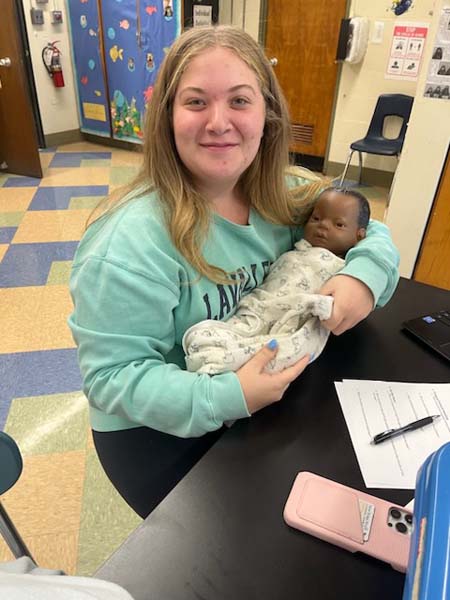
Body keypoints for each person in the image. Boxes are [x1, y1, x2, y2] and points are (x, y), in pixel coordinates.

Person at [68, 26, 400, 518]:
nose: (219, 122)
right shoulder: (126, 246)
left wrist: (362, 278)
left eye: (240, 101)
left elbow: (369, 226)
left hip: (264, 396)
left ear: (267, 115)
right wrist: (229, 395)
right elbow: (112, 379)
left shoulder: (285, 194)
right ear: (167, 118)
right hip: (160, 432)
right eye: (196, 102)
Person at [183, 187, 371, 374]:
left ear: (359, 235)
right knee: (218, 334)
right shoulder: (297, 248)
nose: (323, 226)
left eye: (338, 225)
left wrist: (324, 304)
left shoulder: (344, 268)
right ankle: (215, 355)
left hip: (294, 318)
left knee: (284, 347)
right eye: (316, 219)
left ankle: (227, 364)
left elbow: (337, 304)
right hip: (260, 307)